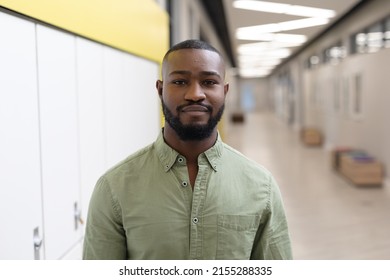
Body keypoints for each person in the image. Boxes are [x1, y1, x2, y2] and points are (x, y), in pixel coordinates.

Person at [83, 39, 292, 260]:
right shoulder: (114, 188)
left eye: (209, 82)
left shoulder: (261, 186)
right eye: (181, 82)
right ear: (161, 90)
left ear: (225, 91)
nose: (195, 94)